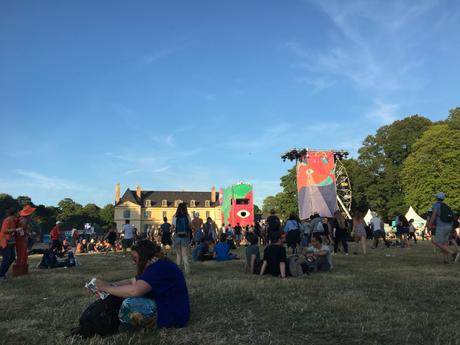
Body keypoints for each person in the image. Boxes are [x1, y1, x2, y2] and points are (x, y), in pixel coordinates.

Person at [95, 240, 190, 329]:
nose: (134, 263)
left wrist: (106, 288)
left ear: (144, 256)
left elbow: (134, 290)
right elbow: (131, 281)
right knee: (121, 294)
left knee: (130, 304)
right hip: (168, 307)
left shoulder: (159, 268)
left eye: (135, 259)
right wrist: (110, 285)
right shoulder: (157, 264)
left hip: (173, 314)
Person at [427, 192, 458, 263]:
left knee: (436, 242)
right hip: (449, 226)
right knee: (444, 244)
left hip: (441, 226)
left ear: (436, 198)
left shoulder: (436, 205)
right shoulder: (447, 206)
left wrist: (429, 226)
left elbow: (433, 216)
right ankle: (445, 260)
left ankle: (453, 254)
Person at [16, 204, 37, 275]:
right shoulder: (24, 220)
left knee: (23, 255)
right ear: (29, 213)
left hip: (22, 239)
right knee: (22, 255)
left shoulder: (23, 219)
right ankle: (20, 271)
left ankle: (22, 270)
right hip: (21, 239)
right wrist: (30, 234)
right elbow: (23, 231)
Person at [0, 208, 20, 280]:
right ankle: (1, 275)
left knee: (11, 258)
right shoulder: (8, 220)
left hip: (11, 243)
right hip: (5, 242)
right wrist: (15, 230)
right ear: (15, 213)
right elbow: (3, 230)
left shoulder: (14, 220)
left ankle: (2, 272)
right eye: (18, 212)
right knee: (7, 258)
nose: (19, 213)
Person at [172, 202, 192, 274]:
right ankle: (187, 270)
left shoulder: (175, 216)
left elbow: (172, 227)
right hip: (185, 236)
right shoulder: (187, 216)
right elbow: (190, 226)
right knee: (185, 254)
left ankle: (178, 270)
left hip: (177, 236)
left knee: (178, 254)